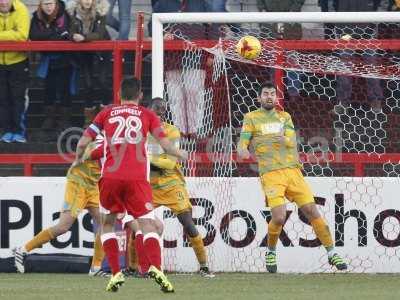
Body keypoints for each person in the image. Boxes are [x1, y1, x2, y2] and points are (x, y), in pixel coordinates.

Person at [74, 76, 187, 292]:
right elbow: (165, 144)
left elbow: (83, 142)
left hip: (110, 178)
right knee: (149, 225)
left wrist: (79, 158)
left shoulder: (106, 113)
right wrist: (179, 153)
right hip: (137, 179)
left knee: (107, 224)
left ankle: (115, 273)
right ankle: (156, 267)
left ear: (119, 94)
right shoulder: (147, 114)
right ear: (140, 95)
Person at [237, 82, 347, 273]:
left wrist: (284, 139)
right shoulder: (251, 118)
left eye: (272, 93)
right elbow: (243, 142)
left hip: (293, 171)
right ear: (259, 98)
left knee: (312, 211)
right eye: (265, 94)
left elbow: (292, 140)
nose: (269, 97)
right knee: (279, 217)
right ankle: (270, 251)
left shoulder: (284, 117)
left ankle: (332, 253)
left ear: (276, 97)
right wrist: (242, 150)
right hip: (271, 174)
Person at [131, 97, 215, 277]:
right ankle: (134, 268)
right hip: (149, 187)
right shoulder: (139, 132)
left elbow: (169, 163)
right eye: (156, 109)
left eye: (163, 110)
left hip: (171, 184)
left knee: (188, 223)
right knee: (137, 225)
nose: (160, 112)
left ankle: (204, 266)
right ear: (147, 110)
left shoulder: (171, 131)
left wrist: (145, 158)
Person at [13, 132, 106, 276]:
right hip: (78, 184)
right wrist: (79, 159)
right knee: (63, 227)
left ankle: (96, 268)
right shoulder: (105, 142)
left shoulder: (115, 143)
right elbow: (85, 148)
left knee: (104, 224)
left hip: (93, 186)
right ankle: (22, 250)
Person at [30, 0, 72, 140]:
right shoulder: (36, 16)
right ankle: (49, 119)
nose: (48, 7)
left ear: (56, 4)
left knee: (64, 89)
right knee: (49, 89)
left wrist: (49, 34)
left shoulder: (64, 15)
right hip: (47, 60)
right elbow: (34, 35)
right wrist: (54, 33)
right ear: (40, 5)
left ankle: (64, 121)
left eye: (51, 3)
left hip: (66, 59)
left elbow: (67, 35)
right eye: (45, 4)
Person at [67, 0, 112, 128]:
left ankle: (106, 118)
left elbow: (100, 34)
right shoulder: (73, 12)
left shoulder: (100, 11)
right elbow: (70, 32)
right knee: (87, 84)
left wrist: (83, 38)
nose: (87, 1)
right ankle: (90, 121)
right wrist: (73, 36)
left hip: (102, 51)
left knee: (103, 81)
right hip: (85, 53)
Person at [0, 0, 30, 143]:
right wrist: (11, 34)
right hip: (0, 62)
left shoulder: (21, 10)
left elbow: (22, 35)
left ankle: (19, 132)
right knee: (3, 98)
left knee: (18, 98)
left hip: (18, 61)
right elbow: (16, 34)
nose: (3, 2)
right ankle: (6, 131)